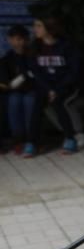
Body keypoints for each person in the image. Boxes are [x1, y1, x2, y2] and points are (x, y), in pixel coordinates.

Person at [31, 16, 83, 154]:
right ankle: (32, 142)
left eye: (38, 26)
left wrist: (57, 89)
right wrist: (48, 89)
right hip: (45, 86)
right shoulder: (35, 47)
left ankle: (70, 139)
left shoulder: (66, 46)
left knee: (58, 102)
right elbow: (36, 72)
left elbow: (73, 72)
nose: (35, 29)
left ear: (49, 28)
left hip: (65, 86)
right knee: (36, 104)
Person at [1, 25, 38, 157]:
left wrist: (24, 78)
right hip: (14, 91)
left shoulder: (32, 56)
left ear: (27, 40)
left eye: (21, 39)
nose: (19, 43)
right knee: (14, 100)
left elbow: (36, 76)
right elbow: (6, 82)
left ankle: (31, 139)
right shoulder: (7, 58)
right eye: (15, 39)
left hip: (32, 90)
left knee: (29, 100)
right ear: (9, 40)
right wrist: (10, 84)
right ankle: (18, 139)